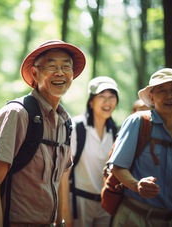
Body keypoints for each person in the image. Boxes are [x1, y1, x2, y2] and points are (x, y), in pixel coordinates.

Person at [0, 40, 86, 227]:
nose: (60, 72)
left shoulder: (65, 122)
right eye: (51, 66)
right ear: (35, 74)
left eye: (66, 66)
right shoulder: (17, 114)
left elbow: (59, 179)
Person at [108, 68, 172, 227]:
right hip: (135, 218)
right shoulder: (138, 122)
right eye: (162, 91)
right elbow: (117, 167)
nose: (169, 96)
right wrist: (137, 185)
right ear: (152, 97)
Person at [62, 76, 119, 227]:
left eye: (112, 97)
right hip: (79, 202)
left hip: (106, 204)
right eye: (102, 97)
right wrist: (64, 208)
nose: (107, 102)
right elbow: (64, 172)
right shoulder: (77, 128)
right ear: (91, 102)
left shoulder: (115, 132)